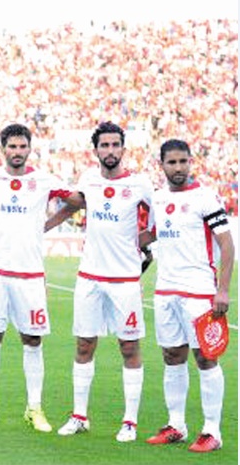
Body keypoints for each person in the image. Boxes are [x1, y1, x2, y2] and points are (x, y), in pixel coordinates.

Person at [54, 122, 153, 442]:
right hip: (90, 278)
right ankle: (79, 416)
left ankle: (130, 422)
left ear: (123, 149)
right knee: (84, 344)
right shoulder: (88, 180)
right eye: (104, 145)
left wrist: (142, 243)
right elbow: (72, 205)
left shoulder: (140, 184)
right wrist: (40, 226)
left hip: (125, 280)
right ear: (96, 150)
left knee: (129, 347)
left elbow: (160, 221)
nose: (110, 150)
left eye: (115, 145)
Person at [0, 123, 70, 432]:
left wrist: (48, 225)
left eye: (22, 147)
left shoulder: (44, 180)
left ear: (29, 149)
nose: (17, 152)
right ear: (3, 149)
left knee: (33, 339)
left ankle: (35, 408)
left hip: (30, 275)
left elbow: (77, 200)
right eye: (11, 147)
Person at [145, 139, 234, 453]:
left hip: (199, 291)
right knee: (172, 357)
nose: (178, 168)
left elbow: (227, 245)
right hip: (166, 290)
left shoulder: (205, 197)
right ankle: (176, 426)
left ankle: (212, 431)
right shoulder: (157, 199)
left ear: (191, 161)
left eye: (183, 161)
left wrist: (222, 290)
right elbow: (154, 234)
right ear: (162, 165)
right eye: (172, 163)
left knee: (206, 357)